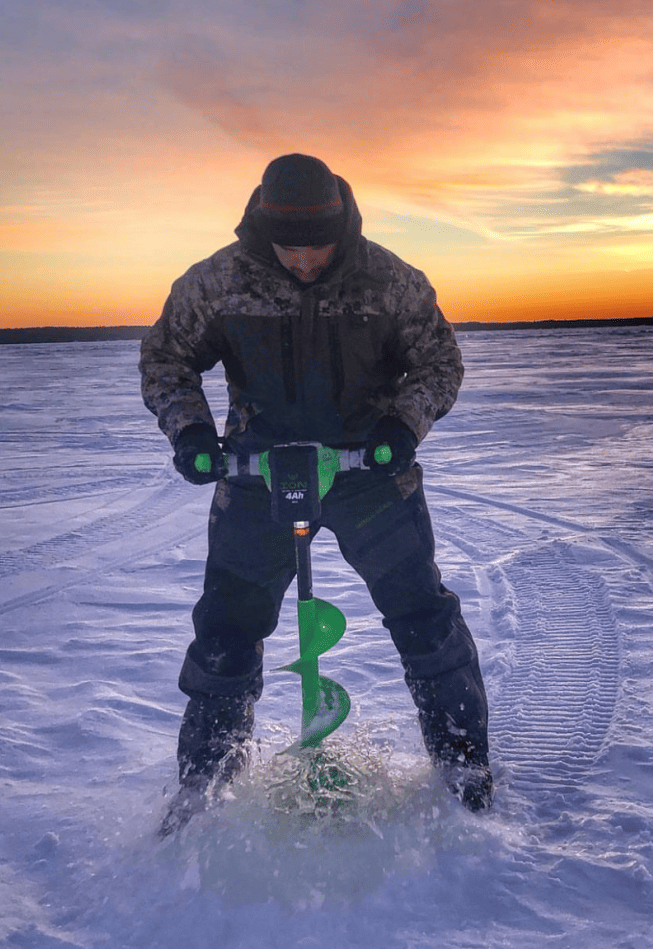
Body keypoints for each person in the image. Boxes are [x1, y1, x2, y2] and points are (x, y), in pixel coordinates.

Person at [139, 153, 491, 831]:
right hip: (257, 480)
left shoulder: (388, 281)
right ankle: (203, 785)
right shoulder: (219, 282)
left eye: (318, 247)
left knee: (424, 618)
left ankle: (464, 769)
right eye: (288, 248)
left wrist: (402, 424)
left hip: (371, 478)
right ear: (261, 230)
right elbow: (166, 359)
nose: (304, 262)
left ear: (343, 227)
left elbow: (440, 362)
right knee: (227, 630)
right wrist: (190, 432)